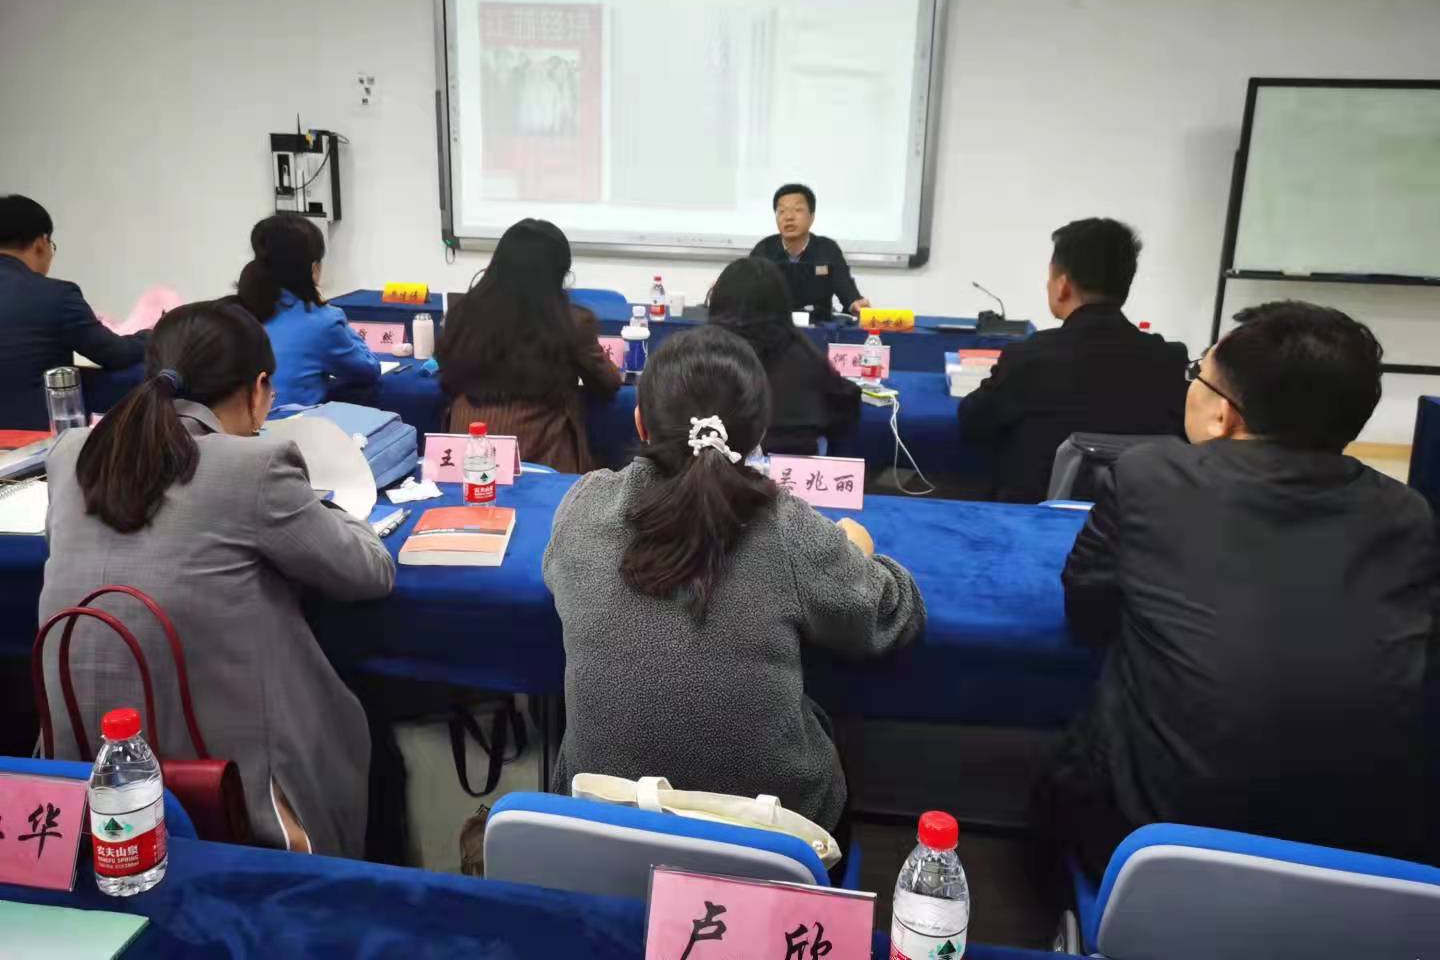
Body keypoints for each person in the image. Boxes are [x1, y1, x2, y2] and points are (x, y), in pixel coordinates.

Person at [1043, 301, 1439, 882]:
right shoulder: (1409, 513)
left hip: (1162, 846)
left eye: (1197, 376)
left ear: (1222, 415)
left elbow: (1088, 611)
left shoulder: (1150, 476)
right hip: (1374, 860)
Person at [39, 300, 396, 858]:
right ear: (259, 389)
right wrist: (338, 510)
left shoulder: (71, 454)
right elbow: (367, 573)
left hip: (76, 773)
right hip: (224, 786)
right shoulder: (254, 466)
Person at [543, 325, 924, 834]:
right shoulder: (787, 527)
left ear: (640, 423)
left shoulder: (585, 506)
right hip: (771, 839)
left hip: (603, 827)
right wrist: (855, 550)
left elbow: (557, 573)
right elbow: (890, 614)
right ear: (760, 433)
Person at [957, 218, 1186, 502]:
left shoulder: (1029, 356)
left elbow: (972, 421)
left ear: (1062, 286)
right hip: (1132, 519)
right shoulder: (1170, 360)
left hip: (1031, 517)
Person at [437, 219, 621, 471]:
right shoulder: (571, 322)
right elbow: (607, 383)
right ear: (559, 274)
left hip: (465, 451)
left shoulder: (462, 313)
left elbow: (446, 369)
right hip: (539, 456)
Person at [0, 194, 146, 429]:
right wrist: (154, 335)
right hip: (34, 438)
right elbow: (115, 354)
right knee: (148, 373)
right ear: (41, 243)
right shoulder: (55, 294)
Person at [708, 256, 860, 455]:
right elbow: (845, 401)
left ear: (718, 300)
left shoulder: (698, 355)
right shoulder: (805, 356)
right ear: (783, 302)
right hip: (792, 466)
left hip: (708, 466)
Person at [237, 213, 379, 407]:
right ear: (314, 269)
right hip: (295, 423)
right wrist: (330, 312)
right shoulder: (323, 320)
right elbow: (368, 370)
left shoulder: (235, 312)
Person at [751, 183, 870, 321]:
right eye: (781, 211)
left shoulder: (827, 249)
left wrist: (854, 302)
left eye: (797, 210)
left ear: (812, 217)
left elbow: (845, 286)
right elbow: (746, 292)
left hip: (819, 324)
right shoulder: (763, 249)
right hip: (773, 326)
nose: (788, 217)